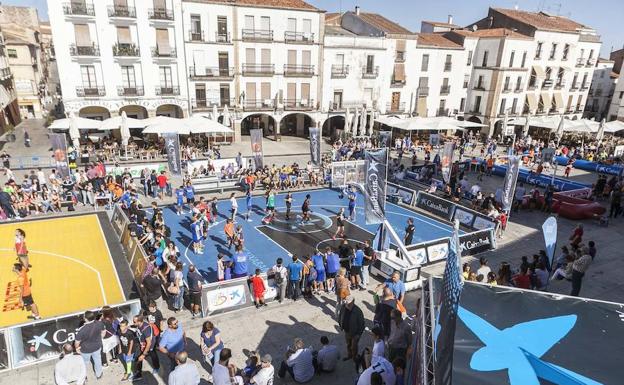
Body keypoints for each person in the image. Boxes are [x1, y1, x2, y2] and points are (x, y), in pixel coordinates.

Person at [75, 310, 106, 379]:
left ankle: (84, 376)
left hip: (85, 350)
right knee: (97, 360)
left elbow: (77, 342)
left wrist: (77, 349)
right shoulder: (99, 323)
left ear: (86, 319)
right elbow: (103, 332)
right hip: (97, 346)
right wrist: (99, 339)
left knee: (85, 363)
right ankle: (98, 375)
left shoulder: (82, 330)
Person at [338, 296, 365, 366]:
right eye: (346, 303)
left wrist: (359, 334)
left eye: (349, 304)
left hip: (355, 333)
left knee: (354, 346)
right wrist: (341, 325)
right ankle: (349, 355)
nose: (347, 305)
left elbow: (362, 324)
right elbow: (340, 316)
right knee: (348, 344)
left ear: (353, 302)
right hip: (347, 331)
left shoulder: (358, 311)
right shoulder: (343, 307)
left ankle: (355, 358)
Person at [133, 314, 159, 379]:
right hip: (142, 344)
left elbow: (149, 343)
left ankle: (156, 367)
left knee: (153, 356)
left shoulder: (146, 329)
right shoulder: (139, 325)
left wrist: (144, 354)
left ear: (139, 321)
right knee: (137, 357)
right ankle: (139, 373)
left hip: (149, 346)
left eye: (134, 322)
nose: (133, 323)